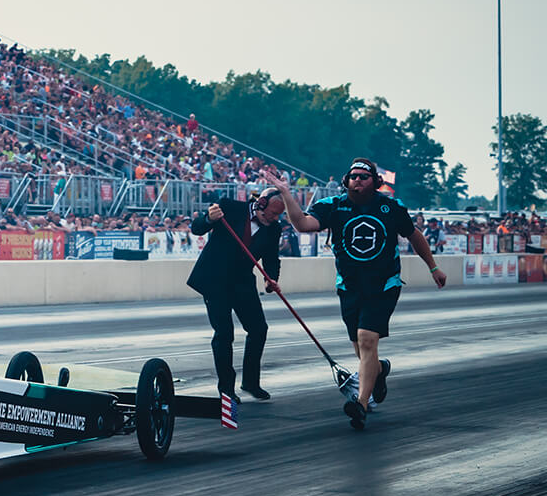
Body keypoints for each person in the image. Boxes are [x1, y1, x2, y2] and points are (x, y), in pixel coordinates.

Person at [266, 161, 446, 429]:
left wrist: (433, 266)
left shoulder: (391, 208)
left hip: (384, 285)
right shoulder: (332, 206)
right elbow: (303, 225)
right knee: (362, 350)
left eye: (363, 177)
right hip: (349, 287)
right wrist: (286, 193)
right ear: (345, 180)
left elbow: (414, 235)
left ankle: (361, 403)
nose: (358, 181)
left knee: (366, 339)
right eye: (353, 176)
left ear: (375, 181)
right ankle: (380, 370)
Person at [187, 188, 285, 400]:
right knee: (224, 334)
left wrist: (271, 277)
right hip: (215, 280)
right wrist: (208, 218)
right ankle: (226, 389)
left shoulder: (274, 228)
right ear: (261, 204)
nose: (276, 219)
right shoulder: (229, 208)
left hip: (242, 281)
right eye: (273, 214)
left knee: (259, 329)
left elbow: (271, 257)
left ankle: (250, 382)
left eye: (279, 215)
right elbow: (197, 229)